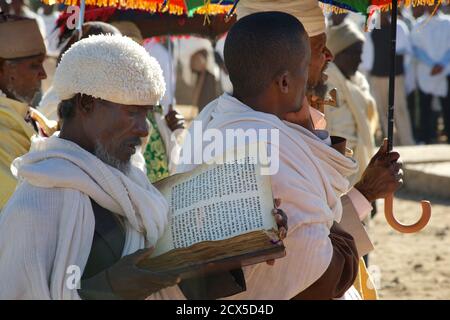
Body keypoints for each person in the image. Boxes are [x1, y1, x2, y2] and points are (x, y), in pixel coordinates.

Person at [0, 34, 287, 299]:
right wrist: (112, 286)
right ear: (87, 103)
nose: (144, 129)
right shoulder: (34, 206)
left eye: (147, 114)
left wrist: (241, 244)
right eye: (133, 113)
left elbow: (170, 282)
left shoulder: (135, 187)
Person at [0, 15, 55, 210]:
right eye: (34, 65)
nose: (44, 74)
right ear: (4, 69)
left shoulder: (32, 117)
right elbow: (20, 205)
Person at [325, 20, 379, 185]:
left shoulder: (359, 82)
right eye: (355, 53)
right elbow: (334, 132)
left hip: (360, 167)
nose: (360, 60)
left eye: (361, 53)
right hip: (336, 172)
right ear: (337, 54)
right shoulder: (326, 83)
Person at [360, 10, 415, 146]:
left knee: (400, 110)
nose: (383, 12)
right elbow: (366, 53)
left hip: (396, 77)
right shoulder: (371, 27)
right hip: (377, 76)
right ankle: (391, 143)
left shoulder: (399, 26)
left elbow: (406, 53)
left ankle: (407, 142)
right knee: (383, 111)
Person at [410, 5, 450, 143]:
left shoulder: (447, 22)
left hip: (445, 71)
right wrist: (432, 64)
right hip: (426, 73)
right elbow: (415, 48)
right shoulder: (419, 24)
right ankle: (426, 138)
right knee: (425, 107)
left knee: (447, 106)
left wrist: (442, 65)